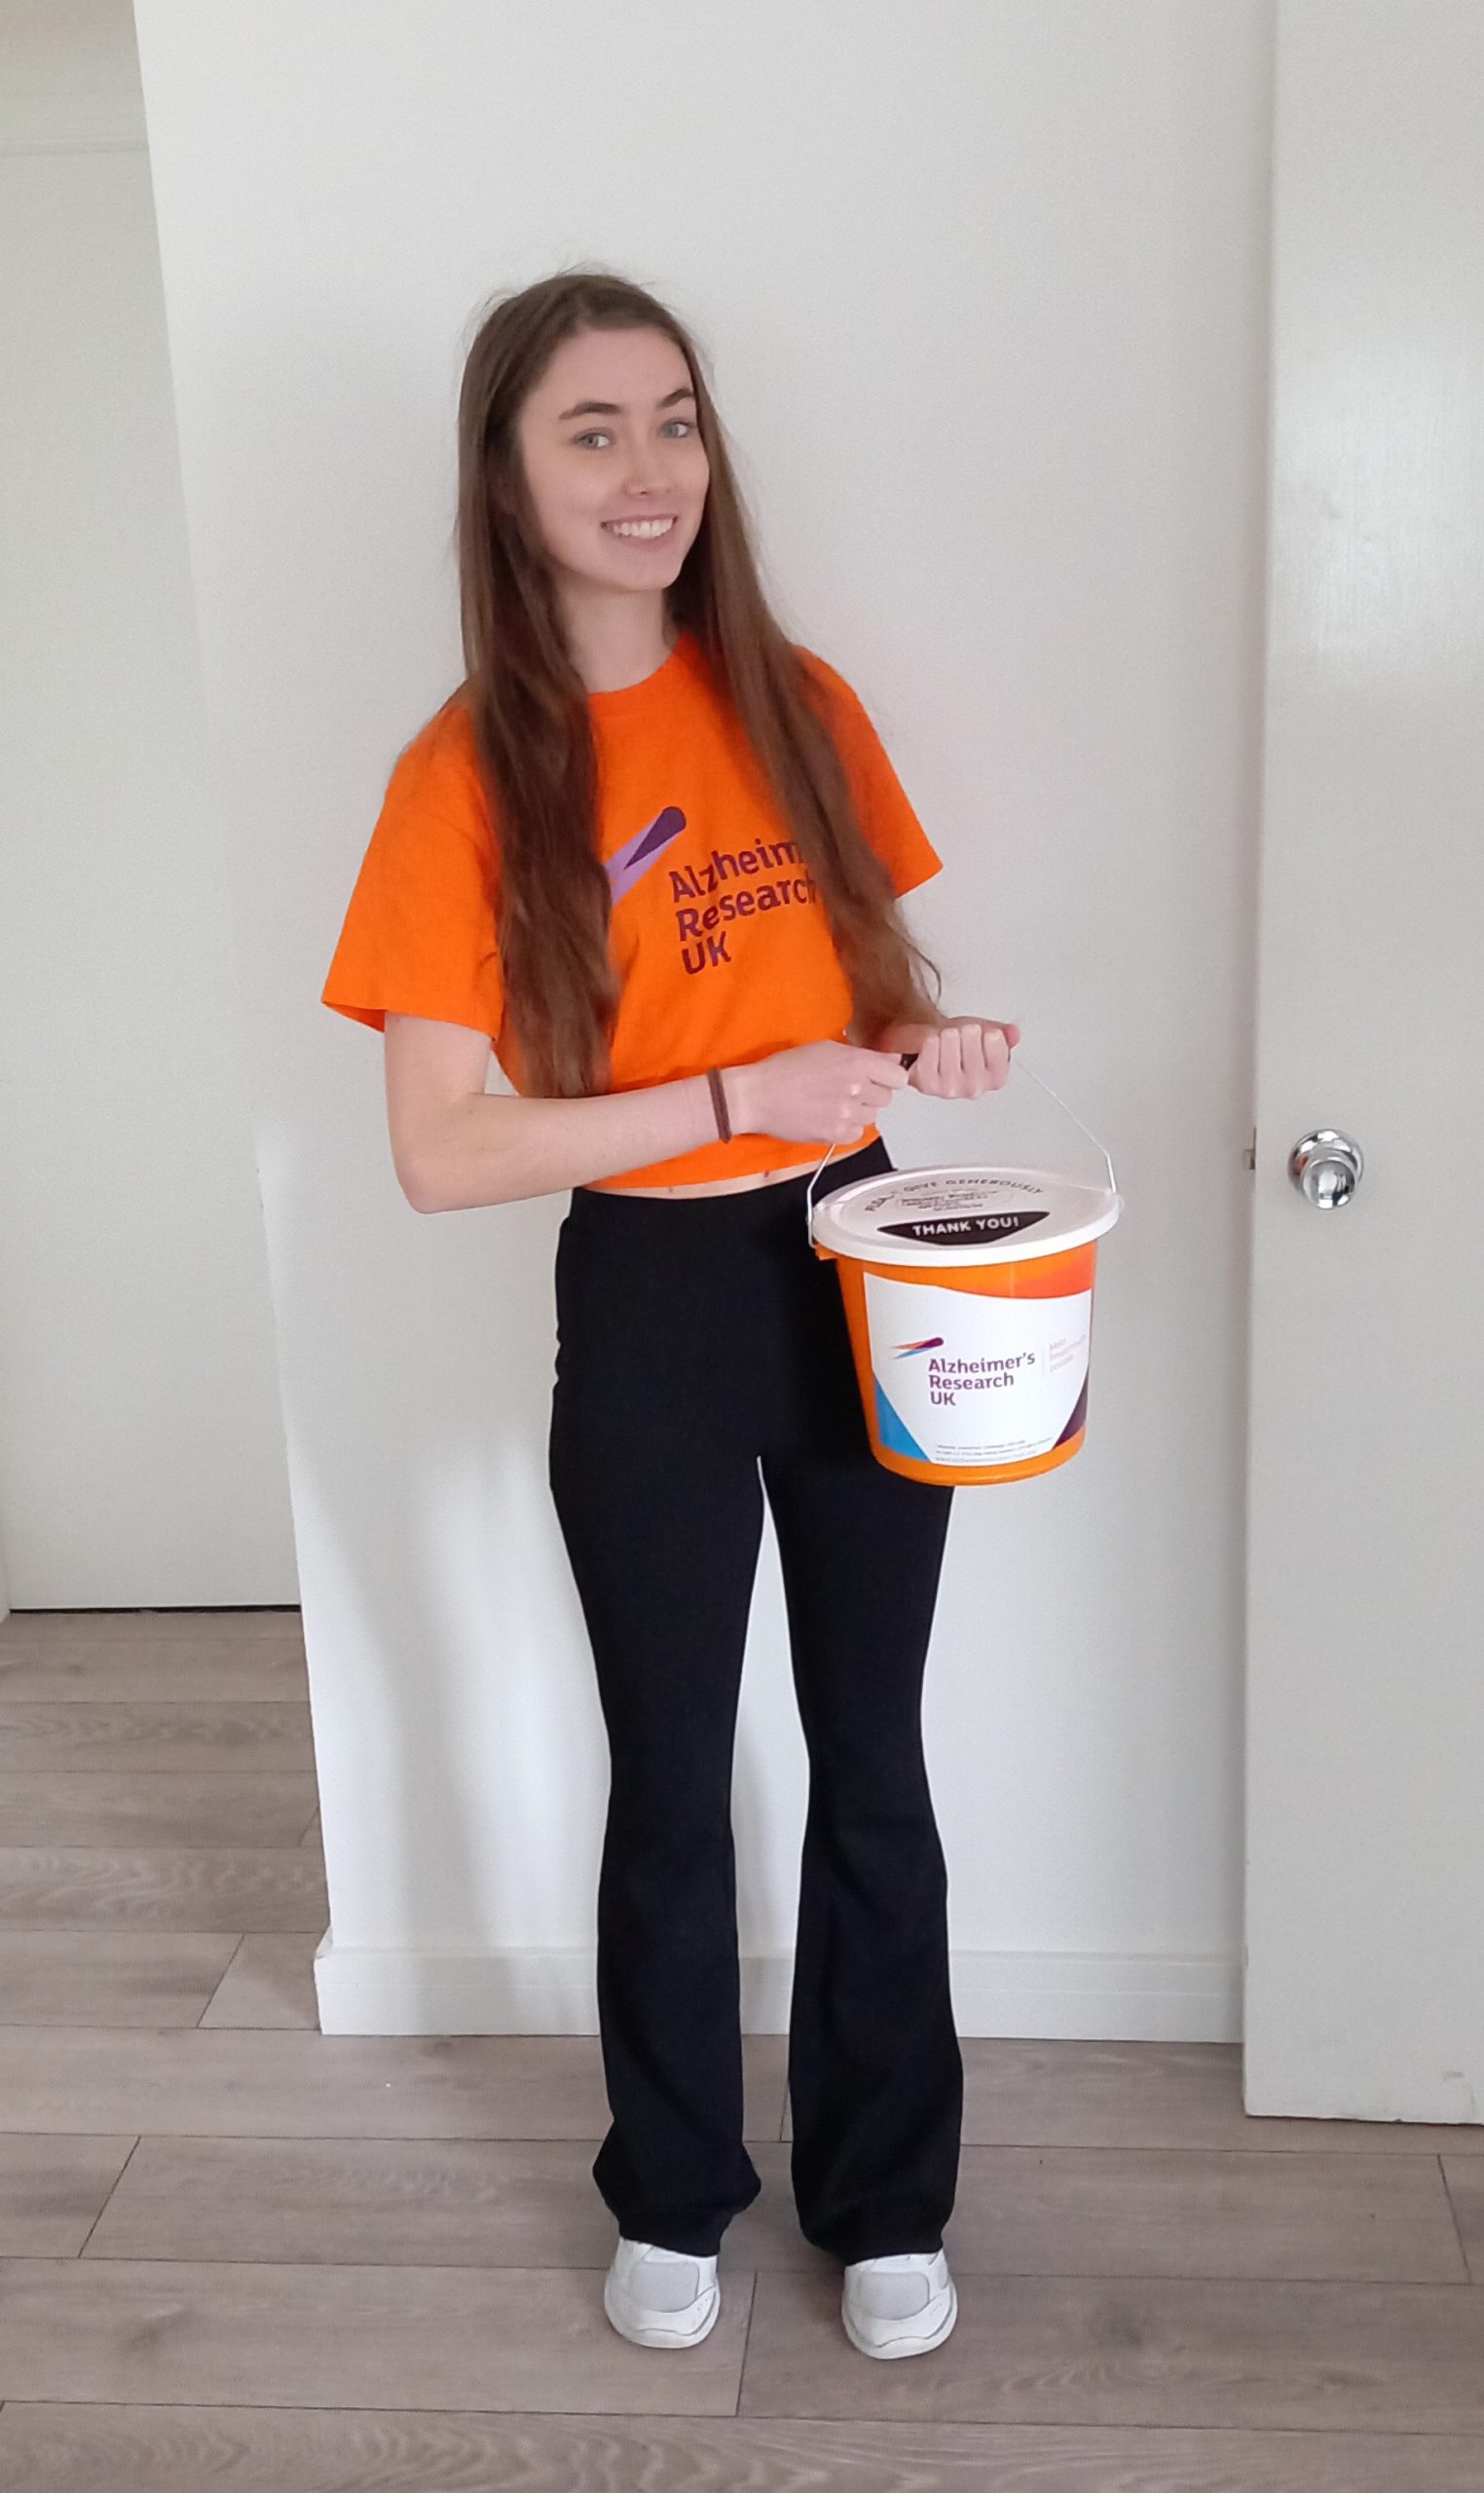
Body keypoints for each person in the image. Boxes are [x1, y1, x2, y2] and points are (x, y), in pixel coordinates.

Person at [321, 268, 1020, 2362]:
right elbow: (441, 1148)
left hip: (862, 1251)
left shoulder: (791, 693)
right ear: (508, 477)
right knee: (667, 1769)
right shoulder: (461, 776)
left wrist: (927, 1039)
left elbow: (856, 990)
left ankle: (887, 2196)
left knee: (873, 1749)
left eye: (677, 421)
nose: (651, 473)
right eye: (594, 431)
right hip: (646, 1278)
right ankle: (673, 2187)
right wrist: (731, 1093)